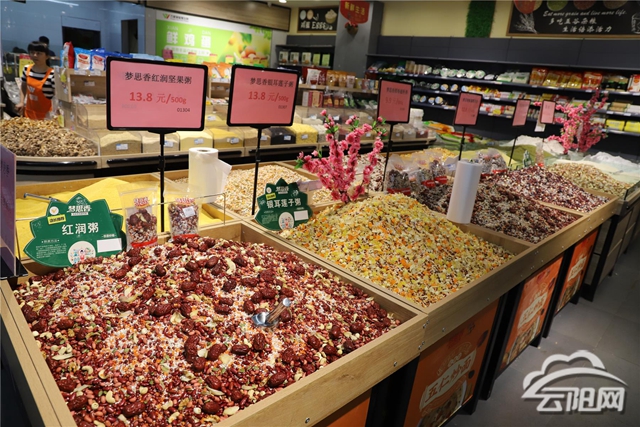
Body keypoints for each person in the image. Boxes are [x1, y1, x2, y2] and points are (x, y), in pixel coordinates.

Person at [16, 41, 55, 120]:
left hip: (46, 118)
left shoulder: (52, 74)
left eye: (39, 53)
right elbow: (23, 86)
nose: (35, 55)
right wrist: (21, 102)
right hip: (29, 114)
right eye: (32, 52)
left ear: (47, 56)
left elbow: (56, 96)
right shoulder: (26, 69)